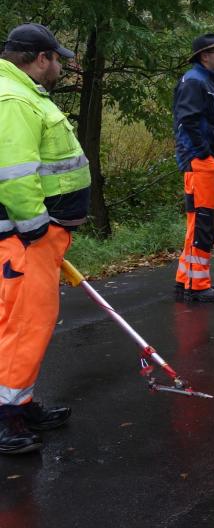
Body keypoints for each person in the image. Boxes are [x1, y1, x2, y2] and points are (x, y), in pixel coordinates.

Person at [0, 24, 90, 455]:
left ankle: (22, 404)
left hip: (37, 238)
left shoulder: (22, 93)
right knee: (24, 325)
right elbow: (14, 173)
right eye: (57, 59)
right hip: (27, 238)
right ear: (40, 58)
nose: (60, 66)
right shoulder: (14, 99)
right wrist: (36, 226)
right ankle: (6, 419)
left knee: (27, 324)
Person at [172, 33, 214, 303]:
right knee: (203, 223)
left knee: (205, 222)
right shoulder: (195, 82)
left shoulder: (209, 81)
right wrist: (203, 156)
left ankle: (186, 279)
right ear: (204, 56)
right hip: (203, 164)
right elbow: (187, 122)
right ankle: (197, 286)